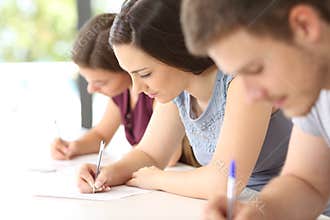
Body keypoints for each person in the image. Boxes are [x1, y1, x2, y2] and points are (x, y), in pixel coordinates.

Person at [76, 0, 292, 200]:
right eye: (131, 75)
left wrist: (159, 179)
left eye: (144, 74)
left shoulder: (242, 80)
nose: (138, 89)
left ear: (176, 52)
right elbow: (149, 154)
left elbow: (224, 182)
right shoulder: (177, 90)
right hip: (242, 208)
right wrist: (106, 173)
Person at [181, 0, 330, 218]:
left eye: (255, 69)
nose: (251, 95)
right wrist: (260, 212)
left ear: (304, 26)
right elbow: (306, 183)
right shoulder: (315, 90)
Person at [50, 13, 182, 166]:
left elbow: (169, 156)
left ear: (126, 67)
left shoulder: (158, 93)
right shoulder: (121, 94)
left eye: (101, 82)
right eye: (88, 81)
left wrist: (121, 166)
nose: (91, 89)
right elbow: (101, 134)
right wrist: (73, 146)